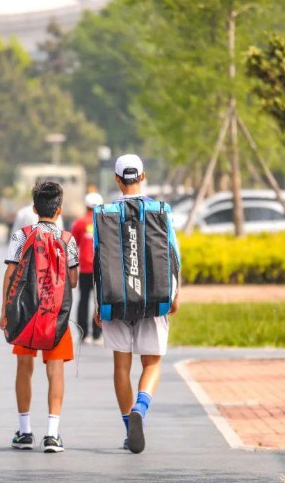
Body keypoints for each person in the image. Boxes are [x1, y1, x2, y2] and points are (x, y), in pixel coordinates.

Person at [93, 154, 180, 454]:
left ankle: (129, 430)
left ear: (117, 180)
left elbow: (98, 260)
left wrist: (97, 304)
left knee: (121, 364)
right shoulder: (161, 210)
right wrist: (176, 293)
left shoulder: (104, 213)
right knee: (152, 361)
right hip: (154, 295)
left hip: (116, 298)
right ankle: (140, 410)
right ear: (143, 176)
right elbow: (173, 255)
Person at [0, 181, 80, 453]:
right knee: (55, 370)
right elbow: (73, 280)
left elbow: (10, 274)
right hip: (55, 315)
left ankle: (24, 432)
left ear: (35, 209)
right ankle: (53, 435)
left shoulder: (21, 236)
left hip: (25, 314)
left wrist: (5, 312)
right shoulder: (68, 240)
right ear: (59, 211)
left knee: (24, 367)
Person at [71, 192, 104, 345]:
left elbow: (73, 244)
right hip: (102, 268)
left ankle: (84, 334)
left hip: (85, 268)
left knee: (84, 299)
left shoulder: (79, 223)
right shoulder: (104, 221)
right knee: (100, 300)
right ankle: (97, 334)